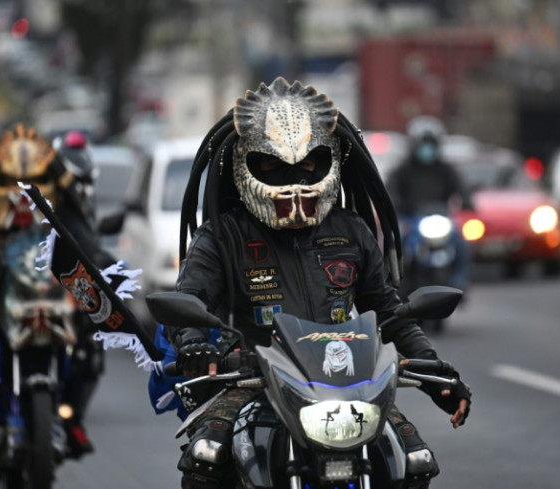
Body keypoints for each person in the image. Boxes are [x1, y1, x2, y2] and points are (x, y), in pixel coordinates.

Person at [157, 78, 471, 489]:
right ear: (243, 164)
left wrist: (436, 374)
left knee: (414, 460)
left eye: (308, 165)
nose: (294, 178)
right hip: (253, 381)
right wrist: (195, 344)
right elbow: (190, 300)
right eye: (272, 165)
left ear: (330, 160)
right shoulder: (222, 235)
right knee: (207, 457)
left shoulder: (352, 230)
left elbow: (391, 313)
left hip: (350, 385)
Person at [0, 123, 116, 459]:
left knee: (93, 338)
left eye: (32, 179)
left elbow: (87, 242)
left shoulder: (62, 210)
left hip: (54, 298)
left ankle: (73, 416)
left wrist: (102, 264)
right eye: (8, 181)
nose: (19, 191)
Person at [386, 116, 472, 292]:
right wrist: (395, 205)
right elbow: (390, 189)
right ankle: (393, 282)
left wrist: (468, 201)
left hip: (440, 218)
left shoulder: (446, 169)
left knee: (462, 242)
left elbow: (461, 187)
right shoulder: (403, 169)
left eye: (431, 144)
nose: (427, 149)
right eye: (423, 144)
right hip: (410, 219)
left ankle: (459, 280)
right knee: (394, 243)